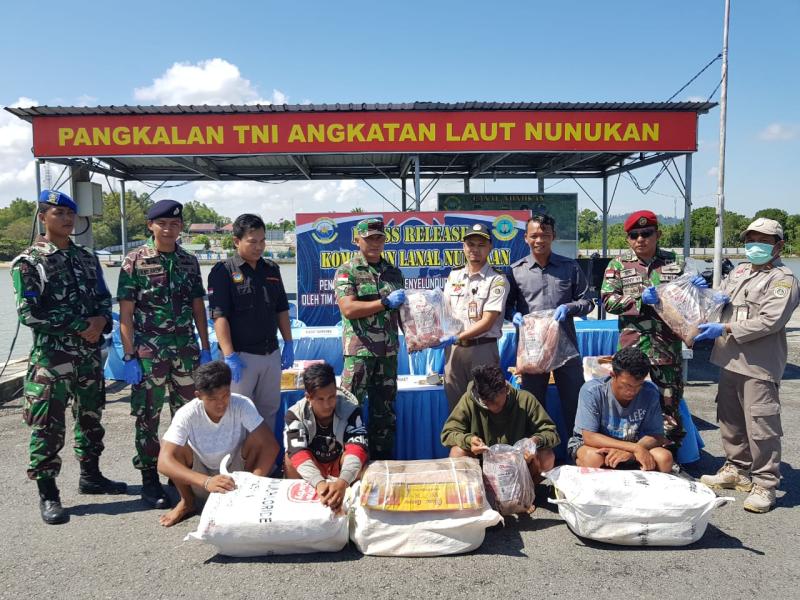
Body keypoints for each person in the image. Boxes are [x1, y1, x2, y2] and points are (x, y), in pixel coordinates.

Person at [11, 190, 126, 524]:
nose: (66, 219)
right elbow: (29, 313)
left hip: (88, 356)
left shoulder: (86, 258)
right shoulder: (30, 261)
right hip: (52, 360)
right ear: (43, 217)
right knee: (47, 424)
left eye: (69, 213)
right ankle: (48, 493)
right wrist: (81, 326)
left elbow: (104, 297)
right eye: (58, 213)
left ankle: (91, 477)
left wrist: (101, 321)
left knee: (90, 417)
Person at [695, 218, 799, 513]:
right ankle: (737, 468)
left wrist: (725, 328)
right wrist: (704, 292)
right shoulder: (740, 270)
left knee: (761, 425)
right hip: (729, 359)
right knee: (730, 419)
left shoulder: (783, 280)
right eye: (751, 240)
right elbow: (720, 298)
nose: (755, 246)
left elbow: (770, 321)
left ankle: (765, 483)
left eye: (763, 241)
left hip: (758, 364)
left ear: (778, 246)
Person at [117, 199, 212, 509]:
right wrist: (129, 356)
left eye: (174, 224)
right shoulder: (134, 260)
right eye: (162, 223)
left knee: (186, 415)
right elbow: (126, 313)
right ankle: (149, 477)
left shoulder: (189, 261)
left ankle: (179, 474)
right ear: (151, 226)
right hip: (149, 354)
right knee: (147, 417)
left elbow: (198, 307)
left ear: (181, 227)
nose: (169, 229)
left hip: (186, 352)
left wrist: (206, 348)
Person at [600, 209, 707, 452]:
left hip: (666, 348)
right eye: (634, 235)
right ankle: (629, 454)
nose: (640, 239)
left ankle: (670, 457)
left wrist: (699, 289)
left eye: (646, 233)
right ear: (628, 239)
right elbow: (608, 300)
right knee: (628, 400)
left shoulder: (676, 263)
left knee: (669, 404)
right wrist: (639, 301)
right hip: (632, 348)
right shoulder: (618, 265)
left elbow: (692, 304)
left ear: (658, 234)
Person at [156, 361, 279, 527]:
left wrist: (253, 482)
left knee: (258, 438)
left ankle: (247, 497)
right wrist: (206, 481)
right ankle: (187, 502)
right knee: (173, 447)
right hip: (200, 476)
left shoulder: (242, 404)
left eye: (225, 395)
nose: (221, 404)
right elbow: (163, 463)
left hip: (236, 473)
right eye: (212, 398)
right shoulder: (187, 413)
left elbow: (271, 446)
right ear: (199, 395)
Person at [506, 214, 594, 438]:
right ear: (526, 238)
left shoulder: (570, 267)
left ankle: (578, 448)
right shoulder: (516, 270)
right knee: (533, 404)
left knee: (575, 402)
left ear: (553, 236)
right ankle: (540, 450)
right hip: (533, 350)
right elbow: (506, 305)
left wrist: (569, 308)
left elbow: (587, 302)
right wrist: (513, 315)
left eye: (545, 235)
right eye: (534, 235)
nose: (539, 240)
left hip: (565, 347)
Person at [208, 213, 293, 432]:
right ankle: (238, 455)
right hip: (241, 357)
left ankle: (264, 454)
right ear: (236, 241)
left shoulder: (271, 269)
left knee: (269, 410)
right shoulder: (223, 271)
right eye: (252, 241)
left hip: (270, 353)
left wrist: (288, 343)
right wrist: (229, 355)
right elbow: (219, 316)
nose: (259, 247)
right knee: (236, 413)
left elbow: (282, 309)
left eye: (262, 241)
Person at [335, 217, 405, 460]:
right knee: (347, 408)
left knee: (384, 413)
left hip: (388, 354)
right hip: (359, 353)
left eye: (379, 238)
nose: (375, 243)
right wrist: (384, 302)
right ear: (357, 240)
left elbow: (402, 312)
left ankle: (382, 463)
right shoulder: (347, 270)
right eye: (369, 238)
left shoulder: (394, 272)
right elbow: (349, 309)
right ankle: (346, 462)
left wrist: (419, 336)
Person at [441, 365, 559, 481]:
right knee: (458, 452)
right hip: (482, 466)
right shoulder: (469, 401)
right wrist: (469, 441)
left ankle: (532, 492)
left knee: (546, 456)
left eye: (497, 403)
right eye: (487, 404)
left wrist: (534, 441)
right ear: (480, 396)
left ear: (506, 389)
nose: (493, 408)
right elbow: (448, 433)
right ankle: (474, 492)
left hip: (520, 465)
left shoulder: (525, 400)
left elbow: (551, 433)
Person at [567, 347, 673, 473]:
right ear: (613, 375)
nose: (632, 391)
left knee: (664, 458)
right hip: (596, 446)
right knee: (593, 459)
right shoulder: (592, 391)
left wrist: (632, 451)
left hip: (636, 445)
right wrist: (634, 449)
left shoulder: (650, 392)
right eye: (627, 385)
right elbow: (590, 437)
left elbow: (656, 435)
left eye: (638, 385)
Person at [439, 223, 509, 410]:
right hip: (454, 352)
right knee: (456, 409)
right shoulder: (454, 276)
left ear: (490, 247)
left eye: (481, 245)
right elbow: (443, 312)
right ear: (463, 247)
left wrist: (456, 337)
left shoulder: (497, 279)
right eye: (470, 244)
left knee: (487, 406)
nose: (475, 249)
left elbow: (487, 322)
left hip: (482, 349)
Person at [284, 363, 369, 512]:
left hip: (339, 464)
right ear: (308, 397)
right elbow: (297, 453)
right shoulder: (295, 414)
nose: (327, 404)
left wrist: (342, 482)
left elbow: (357, 448)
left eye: (331, 397)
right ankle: (298, 509)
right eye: (321, 399)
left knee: (362, 462)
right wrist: (320, 484)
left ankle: (353, 507)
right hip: (314, 464)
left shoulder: (351, 409)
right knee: (289, 460)